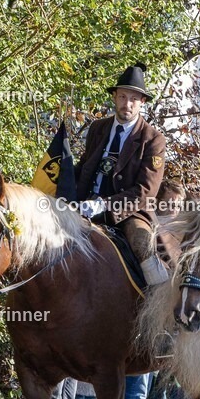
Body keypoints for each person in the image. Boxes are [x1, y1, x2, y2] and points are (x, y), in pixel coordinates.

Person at [75, 64, 169, 286]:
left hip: (128, 212)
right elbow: (84, 168)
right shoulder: (98, 128)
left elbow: (145, 192)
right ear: (114, 97)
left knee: (142, 243)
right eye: (123, 97)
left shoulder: (153, 139)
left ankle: (159, 293)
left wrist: (104, 205)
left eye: (134, 99)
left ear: (142, 102)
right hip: (84, 203)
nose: (127, 104)